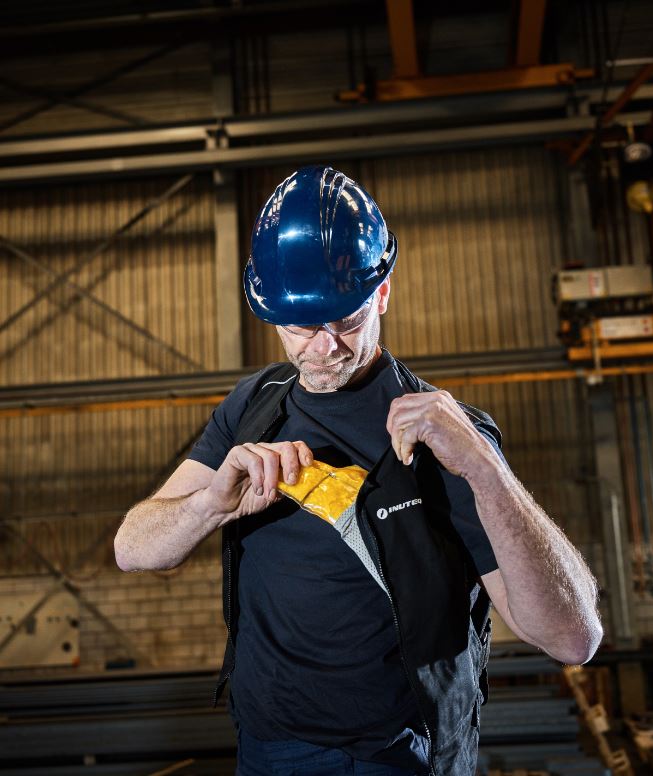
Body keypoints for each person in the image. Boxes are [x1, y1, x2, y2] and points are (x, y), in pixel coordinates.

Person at [115, 165, 602, 776]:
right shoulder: (253, 406)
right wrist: (209, 504)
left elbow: (571, 639)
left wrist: (486, 469)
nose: (323, 348)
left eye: (346, 321)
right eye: (301, 327)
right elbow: (133, 549)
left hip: (398, 758)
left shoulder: (446, 438)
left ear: (383, 294)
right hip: (267, 750)